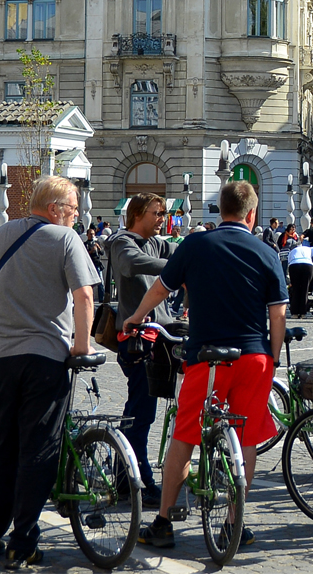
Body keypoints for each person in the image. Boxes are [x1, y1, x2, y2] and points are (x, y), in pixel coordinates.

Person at [125, 181, 286, 552]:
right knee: (246, 437)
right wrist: (273, 356)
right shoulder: (267, 251)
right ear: (252, 213)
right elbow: (277, 314)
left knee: (184, 436)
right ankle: (235, 523)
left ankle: (164, 522)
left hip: (207, 357)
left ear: (220, 210)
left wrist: (136, 317)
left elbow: (160, 289)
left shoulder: (196, 245)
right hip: (253, 358)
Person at [0, 175, 98, 569]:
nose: (74, 216)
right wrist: (82, 345)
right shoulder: (64, 239)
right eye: (71, 210)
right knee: (39, 448)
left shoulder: (2, 234)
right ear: (54, 209)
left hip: (0, 358)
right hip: (45, 357)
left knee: (3, 445)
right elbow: (84, 294)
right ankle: (23, 541)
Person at [109, 193, 175, 506]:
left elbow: (181, 249)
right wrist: (175, 267)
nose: (162, 218)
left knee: (142, 410)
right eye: (157, 213)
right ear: (137, 213)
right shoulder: (123, 241)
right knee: (140, 413)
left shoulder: (157, 242)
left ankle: (125, 475)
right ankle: (139, 478)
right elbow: (131, 264)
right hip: (137, 340)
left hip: (161, 337)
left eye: (163, 213)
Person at [286, 231, 313, 317]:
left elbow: (288, 263)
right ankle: (303, 313)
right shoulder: (308, 249)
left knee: (295, 289)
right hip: (307, 266)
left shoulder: (292, 251)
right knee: (305, 289)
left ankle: (294, 313)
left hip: (294, 265)